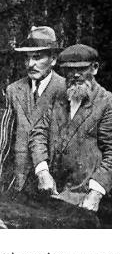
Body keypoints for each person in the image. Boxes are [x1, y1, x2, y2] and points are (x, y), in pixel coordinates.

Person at [29, 44, 111, 212]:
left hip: (85, 199)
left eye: (81, 69)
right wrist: (42, 172)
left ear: (94, 68)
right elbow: (39, 133)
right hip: (51, 194)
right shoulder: (58, 96)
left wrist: (95, 193)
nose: (75, 75)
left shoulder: (107, 103)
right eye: (69, 70)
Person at [6, 26, 66, 192]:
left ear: (53, 59)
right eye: (27, 58)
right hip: (19, 182)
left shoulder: (65, 90)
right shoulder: (13, 90)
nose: (30, 64)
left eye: (37, 57)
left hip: (53, 182)